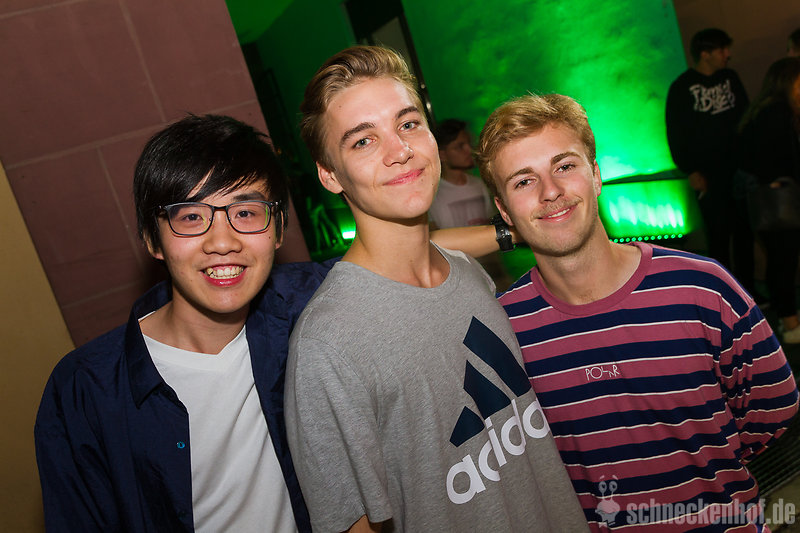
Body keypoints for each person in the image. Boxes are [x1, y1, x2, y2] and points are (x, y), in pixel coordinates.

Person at [33, 113, 513, 532]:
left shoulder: (305, 310)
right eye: (191, 217)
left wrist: (517, 229)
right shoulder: (87, 390)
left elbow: (401, 254)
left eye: (246, 212)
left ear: (279, 229)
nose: (222, 241)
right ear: (152, 239)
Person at [285, 46, 588, 533]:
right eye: (363, 141)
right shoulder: (329, 344)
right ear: (329, 174)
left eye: (408, 124)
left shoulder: (469, 275)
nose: (400, 151)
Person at [477, 93, 799, 531]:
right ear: (503, 210)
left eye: (564, 166)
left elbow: (772, 411)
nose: (550, 191)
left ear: (595, 175)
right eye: (523, 181)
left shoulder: (702, 288)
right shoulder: (504, 330)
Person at [665, 28, 755, 296]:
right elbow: (676, 133)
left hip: (738, 170)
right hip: (708, 174)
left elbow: (746, 116)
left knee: (744, 231)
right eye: (721, 50)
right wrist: (690, 170)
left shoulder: (730, 77)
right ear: (705, 54)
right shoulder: (682, 87)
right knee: (719, 234)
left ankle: (750, 290)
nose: (727, 55)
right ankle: (725, 293)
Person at [738, 57, 800, 342]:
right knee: (783, 261)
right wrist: (775, 179)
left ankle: (787, 319)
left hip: (768, 202)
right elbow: (774, 156)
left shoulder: (764, 110)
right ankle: (790, 323)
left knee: (779, 260)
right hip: (778, 202)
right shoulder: (777, 112)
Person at [429, 118, 493, 229]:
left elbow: (491, 225)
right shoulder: (432, 195)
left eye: (469, 144)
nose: (469, 150)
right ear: (442, 155)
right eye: (460, 146)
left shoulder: (479, 184)